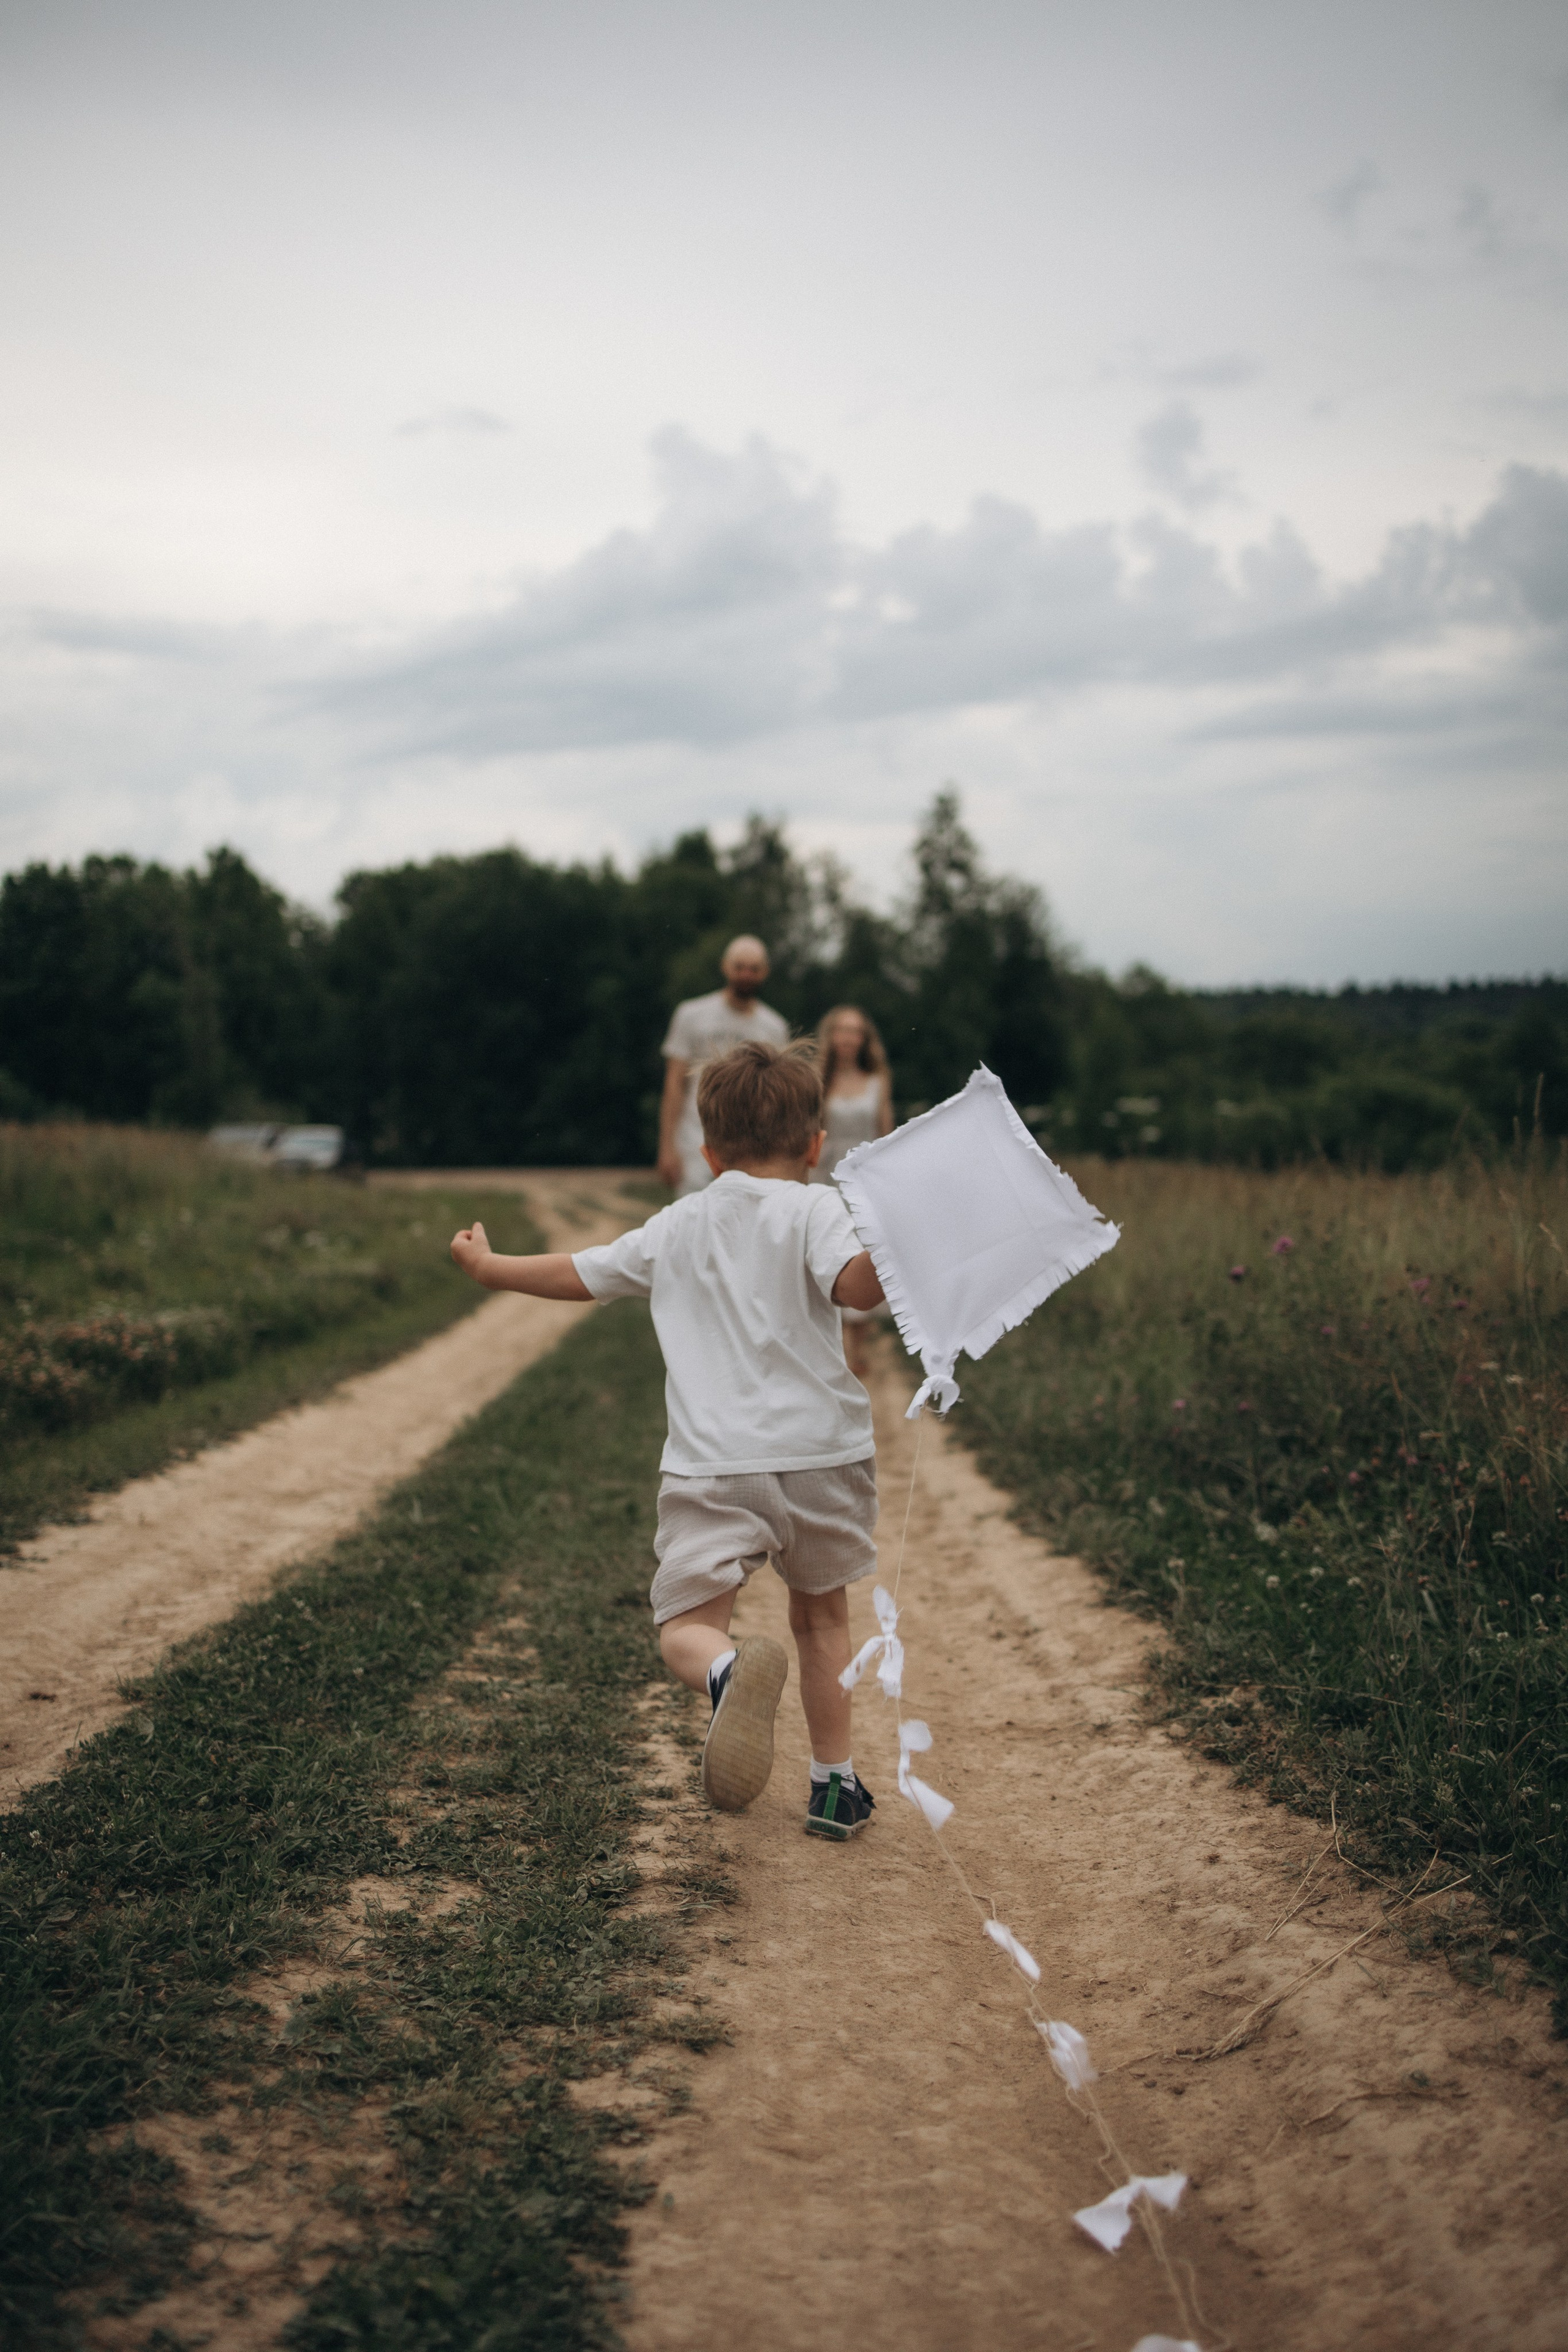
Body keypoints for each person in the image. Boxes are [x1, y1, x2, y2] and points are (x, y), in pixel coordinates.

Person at [450, 1039, 887, 1842]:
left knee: (687, 1623)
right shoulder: (818, 1206)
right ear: (816, 1146)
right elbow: (855, 1290)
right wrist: (899, 1241)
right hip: (822, 1455)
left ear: (709, 1152)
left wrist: (491, 1268)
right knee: (823, 1620)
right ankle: (835, 1790)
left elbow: (580, 1273)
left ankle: (724, 1673)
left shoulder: (680, 1223)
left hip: (716, 1466)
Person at [657, 935, 790, 1196]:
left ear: (765, 972)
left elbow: (778, 1096)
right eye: (739, 967)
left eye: (754, 969)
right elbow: (674, 1084)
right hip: (695, 1137)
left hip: (753, 1144)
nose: (746, 975)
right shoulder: (691, 1014)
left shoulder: (775, 1027)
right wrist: (667, 1147)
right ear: (725, 967)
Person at [809, 1005, 894, 1375]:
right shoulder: (815, 1081)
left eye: (855, 1030)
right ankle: (826, 1347)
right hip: (823, 1176)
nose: (848, 1037)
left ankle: (855, 1351)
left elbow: (886, 1133)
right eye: (841, 1030)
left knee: (862, 1256)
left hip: (864, 1180)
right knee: (826, 1254)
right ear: (830, 1036)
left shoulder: (878, 1082)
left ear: (864, 1039)